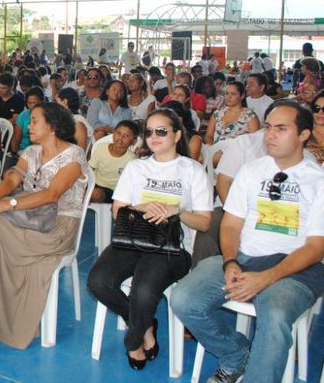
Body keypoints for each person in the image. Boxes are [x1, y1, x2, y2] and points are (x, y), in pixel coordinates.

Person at [171, 100, 324, 383]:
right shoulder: (252, 171)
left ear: (304, 134)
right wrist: (230, 261)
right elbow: (230, 224)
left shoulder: (318, 180)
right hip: (244, 258)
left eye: (281, 129)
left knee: (275, 315)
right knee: (183, 298)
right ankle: (236, 354)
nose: (270, 135)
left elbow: (316, 248)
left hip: (296, 269)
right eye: (268, 128)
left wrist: (266, 277)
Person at [0, 102, 89, 350]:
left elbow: (52, 194)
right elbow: (13, 177)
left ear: (53, 126)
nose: (28, 126)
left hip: (58, 228)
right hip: (28, 218)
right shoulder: (32, 152)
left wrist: (6, 205)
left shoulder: (73, 156)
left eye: (35, 121)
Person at [86, 108, 212, 369]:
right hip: (133, 238)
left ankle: (133, 343)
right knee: (98, 281)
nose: (154, 137)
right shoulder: (137, 167)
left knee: (143, 291)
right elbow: (116, 209)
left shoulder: (193, 170)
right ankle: (144, 326)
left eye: (161, 131)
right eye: (149, 132)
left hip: (171, 247)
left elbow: (205, 221)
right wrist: (142, 207)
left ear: (177, 135)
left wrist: (176, 211)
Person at [88, 120, 138, 202]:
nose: (121, 138)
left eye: (126, 136)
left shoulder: (132, 159)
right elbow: (90, 169)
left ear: (133, 141)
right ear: (113, 133)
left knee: (96, 194)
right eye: (119, 133)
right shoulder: (101, 147)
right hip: (95, 184)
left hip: (113, 191)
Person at [204, 82, 260, 147]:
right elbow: (209, 136)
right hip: (215, 151)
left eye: (233, 94)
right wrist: (213, 148)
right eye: (226, 93)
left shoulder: (250, 116)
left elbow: (255, 142)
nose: (229, 97)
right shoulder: (217, 114)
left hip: (239, 153)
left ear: (242, 96)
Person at [10, 86, 44, 154]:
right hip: (23, 150)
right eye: (29, 103)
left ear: (42, 101)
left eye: (34, 102)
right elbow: (17, 138)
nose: (32, 105)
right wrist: (14, 152)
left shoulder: (48, 115)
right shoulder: (23, 115)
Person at [56, 87, 90, 152]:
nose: (55, 106)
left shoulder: (77, 121)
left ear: (65, 102)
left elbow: (81, 151)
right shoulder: (73, 117)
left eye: (57, 102)